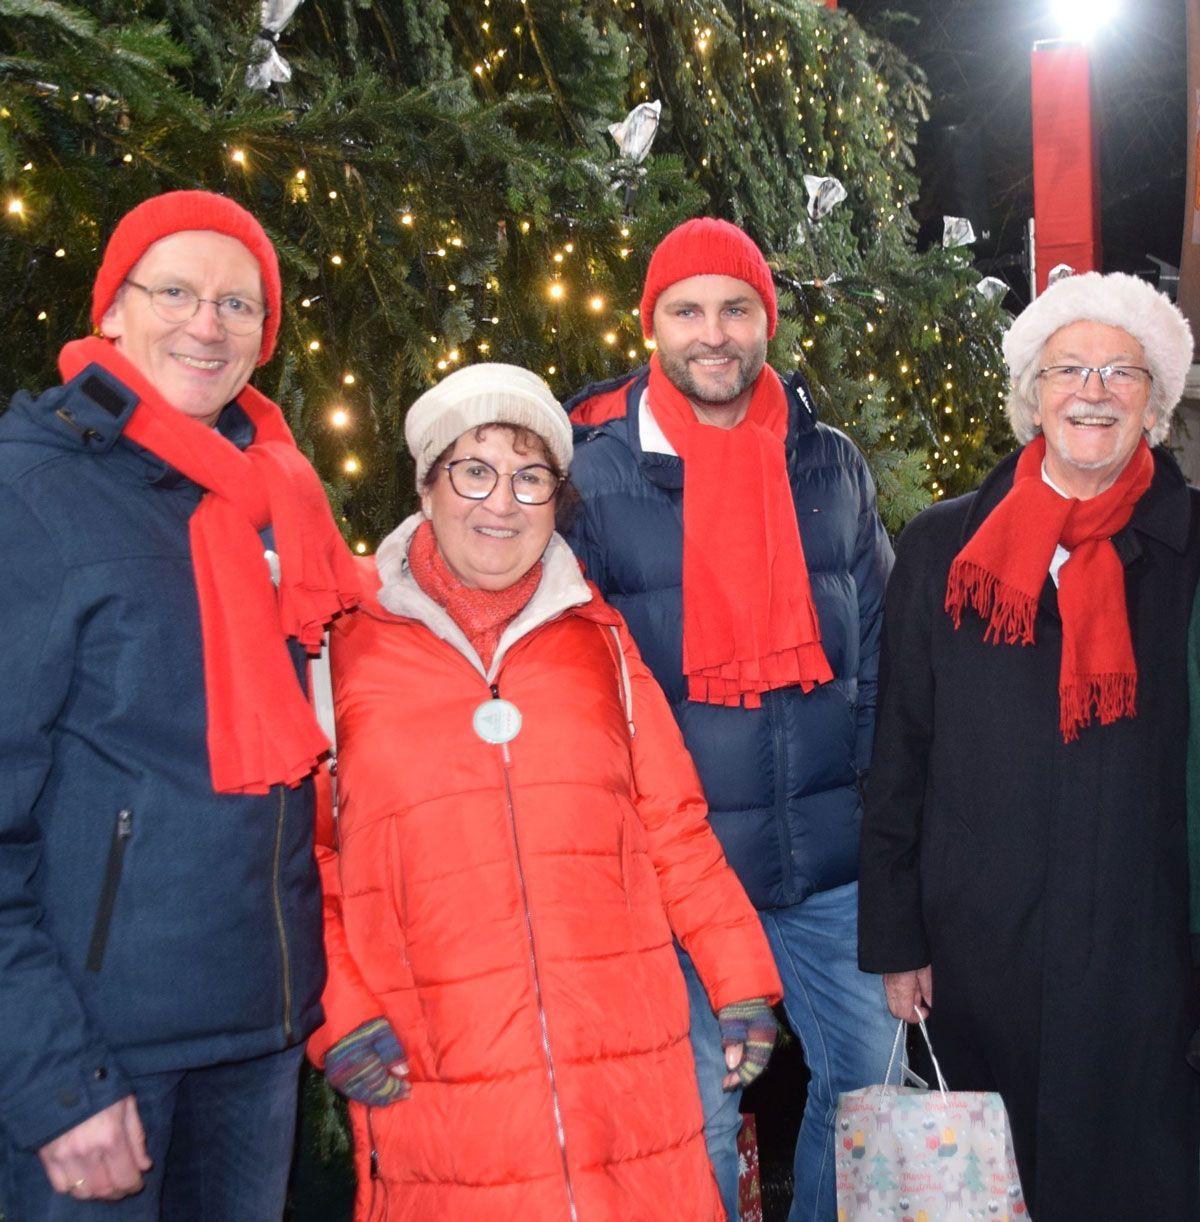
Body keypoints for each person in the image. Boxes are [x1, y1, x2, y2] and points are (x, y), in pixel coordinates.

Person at [307, 361, 783, 1221]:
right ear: (425, 484)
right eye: (474, 470)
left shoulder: (600, 642)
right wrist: (335, 1006)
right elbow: (301, 859)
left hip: (624, 1083)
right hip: (443, 1082)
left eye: (530, 478)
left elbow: (673, 827)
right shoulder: (340, 643)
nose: (501, 503)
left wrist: (740, 976)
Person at [0, 190, 359, 1218]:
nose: (207, 324)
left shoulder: (275, 496)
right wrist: (54, 1078)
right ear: (113, 309)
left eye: (237, 305)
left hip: (256, 1033)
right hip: (101, 1055)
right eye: (175, 293)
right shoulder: (31, 494)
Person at [565, 217, 895, 1222]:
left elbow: (879, 651)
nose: (713, 333)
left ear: (768, 320)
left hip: (828, 866)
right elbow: (578, 690)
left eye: (736, 308)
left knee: (874, 1086)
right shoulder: (594, 475)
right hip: (682, 876)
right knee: (701, 1125)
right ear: (651, 324)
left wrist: (878, 812)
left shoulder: (829, 464)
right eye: (687, 310)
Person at [859, 271, 1200, 1219]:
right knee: (991, 1184)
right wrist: (897, 940)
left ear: (1156, 404)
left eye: (1122, 371)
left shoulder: (1192, 548)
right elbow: (901, 749)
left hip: (1145, 951)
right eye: (1068, 370)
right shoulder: (943, 548)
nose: (1094, 391)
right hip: (977, 949)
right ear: (1031, 396)